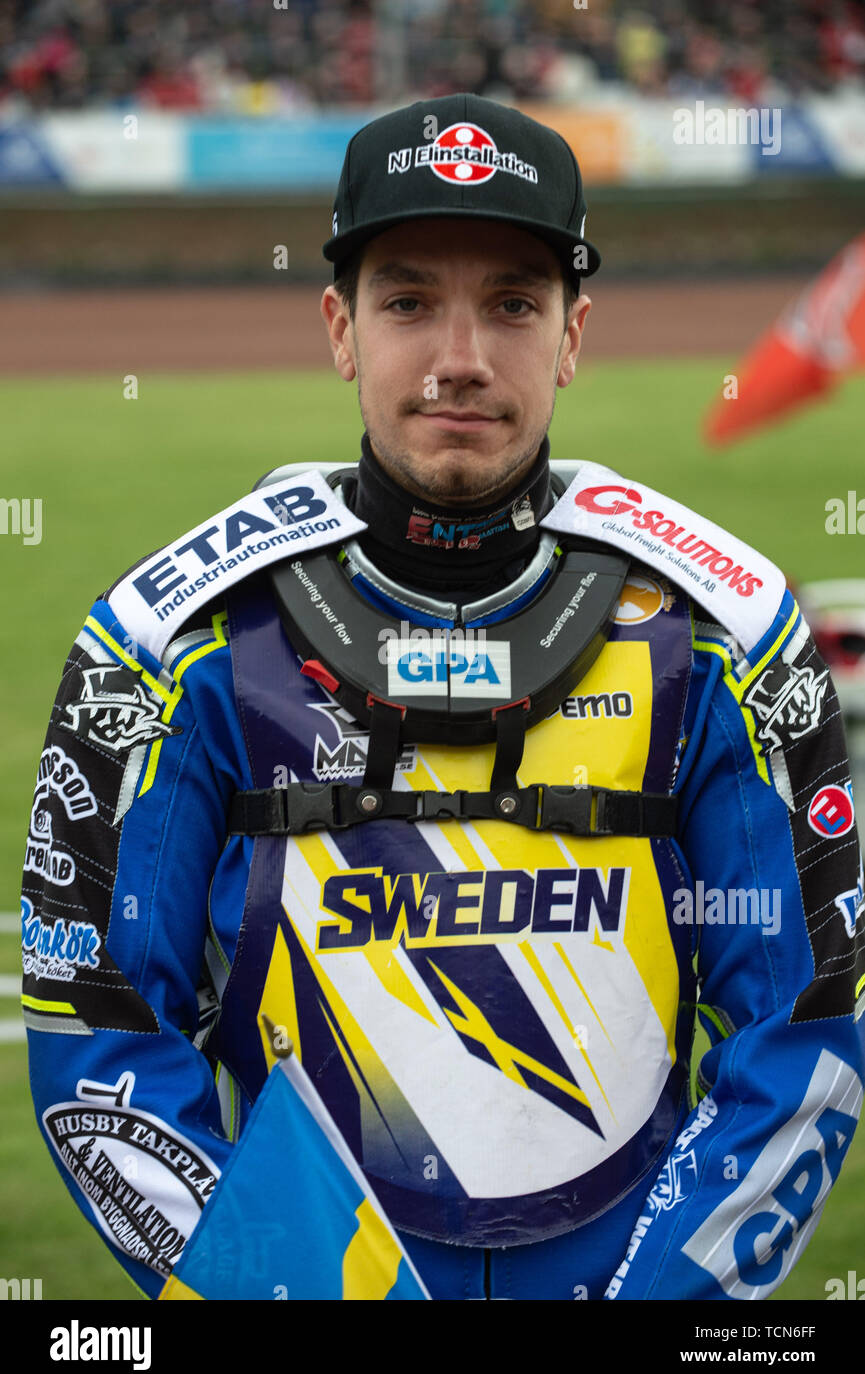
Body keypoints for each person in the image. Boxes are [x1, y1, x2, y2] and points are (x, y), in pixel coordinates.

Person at [22, 93, 864, 1302]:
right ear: (340, 328)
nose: (459, 357)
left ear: (573, 335)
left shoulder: (729, 643)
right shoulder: (173, 646)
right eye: (408, 300)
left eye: (514, 304)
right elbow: (95, 1038)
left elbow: (801, 1040)